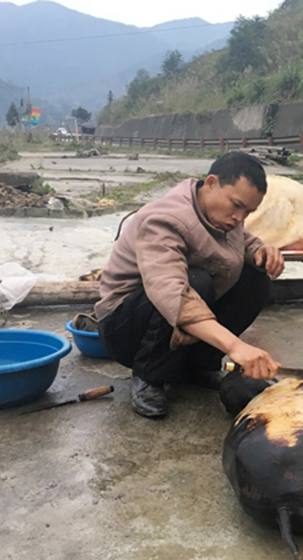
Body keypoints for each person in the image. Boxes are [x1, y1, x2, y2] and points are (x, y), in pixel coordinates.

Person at [95, 151, 284, 418]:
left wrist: (261, 251)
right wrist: (235, 347)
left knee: (256, 278)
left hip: (177, 311)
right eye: (236, 205)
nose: (240, 218)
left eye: (248, 211)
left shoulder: (222, 215)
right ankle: (150, 376)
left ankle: (199, 366)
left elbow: (243, 238)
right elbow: (170, 292)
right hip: (126, 328)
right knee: (196, 282)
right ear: (211, 183)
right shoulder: (165, 219)